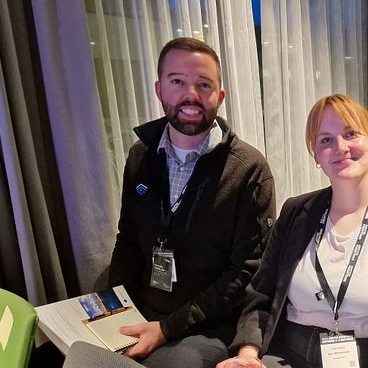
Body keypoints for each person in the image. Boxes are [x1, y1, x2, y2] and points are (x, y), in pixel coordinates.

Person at [216, 94, 368, 368]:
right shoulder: (295, 213)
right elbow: (261, 294)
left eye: (351, 133)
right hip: (289, 356)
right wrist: (248, 354)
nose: (340, 147)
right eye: (326, 139)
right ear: (315, 153)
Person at [108, 37, 276, 367]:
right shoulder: (140, 156)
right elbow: (127, 242)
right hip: (143, 311)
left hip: (209, 326)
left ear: (220, 96)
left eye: (204, 84)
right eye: (178, 82)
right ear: (159, 89)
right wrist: (112, 310)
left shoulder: (248, 169)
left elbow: (246, 272)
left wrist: (167, 329)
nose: (191, 95)